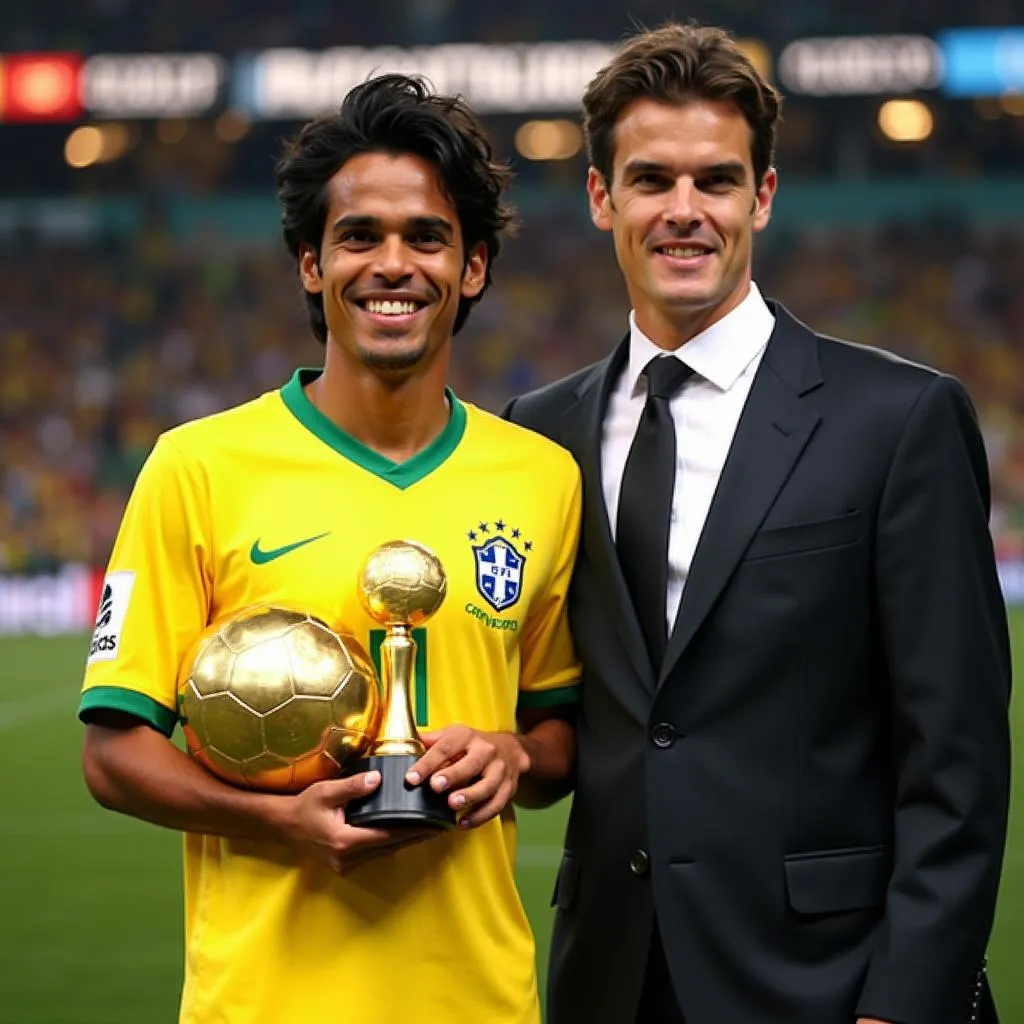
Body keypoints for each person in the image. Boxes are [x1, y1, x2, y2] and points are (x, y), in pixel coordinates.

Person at [505, 22, 1011, 1024]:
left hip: (830, 987)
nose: (683, 211)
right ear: (601, 196)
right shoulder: (537, 432)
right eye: (650, 179)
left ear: (762, 197)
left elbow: (955, 761)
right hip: (610, 979)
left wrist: (902, 1005)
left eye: (717, 180)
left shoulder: (898, 418)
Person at [78, 74, 581, 1024]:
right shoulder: (195, 466)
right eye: (360, 237)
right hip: (264, 1002)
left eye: (427, 237)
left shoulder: (543, 477)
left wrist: (513, 755)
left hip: (479, 1000)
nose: (393, 265)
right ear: (311, 264)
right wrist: (278, 819)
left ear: (472, 267)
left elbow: (563, 735)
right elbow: (112, 754)